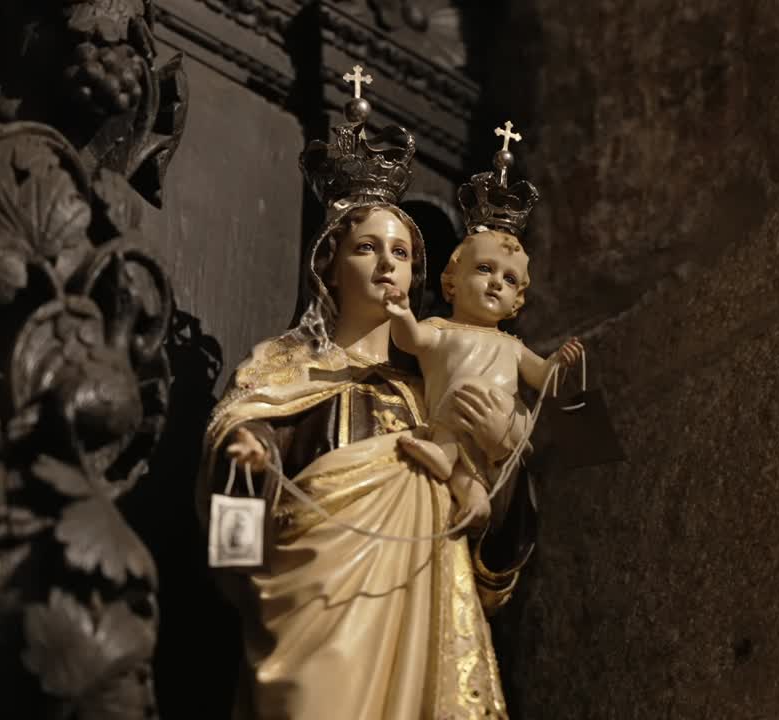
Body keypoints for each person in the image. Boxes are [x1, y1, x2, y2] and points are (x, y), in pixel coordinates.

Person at [197, 89, 535, 719]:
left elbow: (493, 561)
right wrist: (244, 463)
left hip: (419, 615)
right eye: (366, 248)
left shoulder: (429, 393)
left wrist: (506, 461)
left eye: (401, 253)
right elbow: (232, 537)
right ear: (328, 265)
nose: (387, 266)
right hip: (310, 611)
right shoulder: (281, 370)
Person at [382, 229, 584, 531]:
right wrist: (402, 314)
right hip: (459, 423)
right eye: (485, 268)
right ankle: (475, 502)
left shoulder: (512, 345)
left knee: (465, 391)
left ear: (516, 302)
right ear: (452, 281)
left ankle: (444, 454)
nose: (496, 282)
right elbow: (409, 340)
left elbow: (545, 379)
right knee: (465, 468)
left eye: (510, 279)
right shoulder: (439, 329)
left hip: (507, 420)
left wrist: (559, 362)